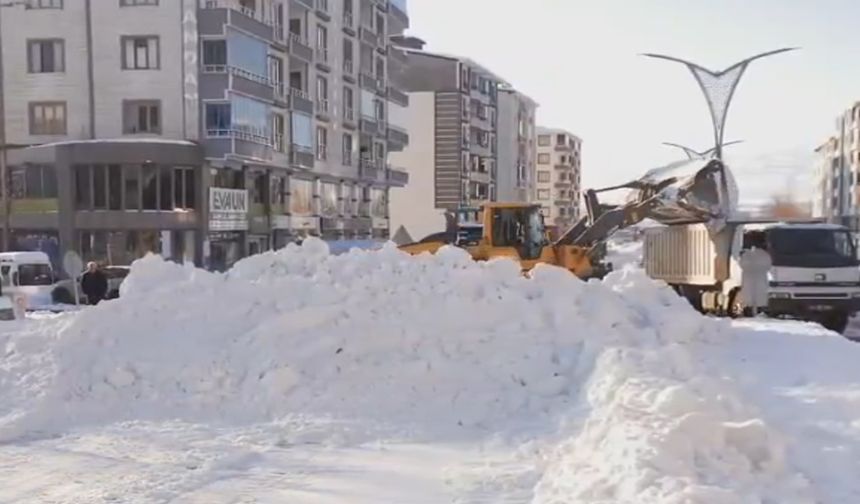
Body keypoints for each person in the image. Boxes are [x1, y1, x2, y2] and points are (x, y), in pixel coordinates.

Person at [739, 237, 772, 316]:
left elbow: (742, 264)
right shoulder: (765, 254)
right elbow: (768, 265)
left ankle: (751, 309)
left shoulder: (747, 254)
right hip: (758, 277)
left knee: (750, 294)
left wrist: (751, 267)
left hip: (751, 276)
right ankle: (759, 310)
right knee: (759, 294)